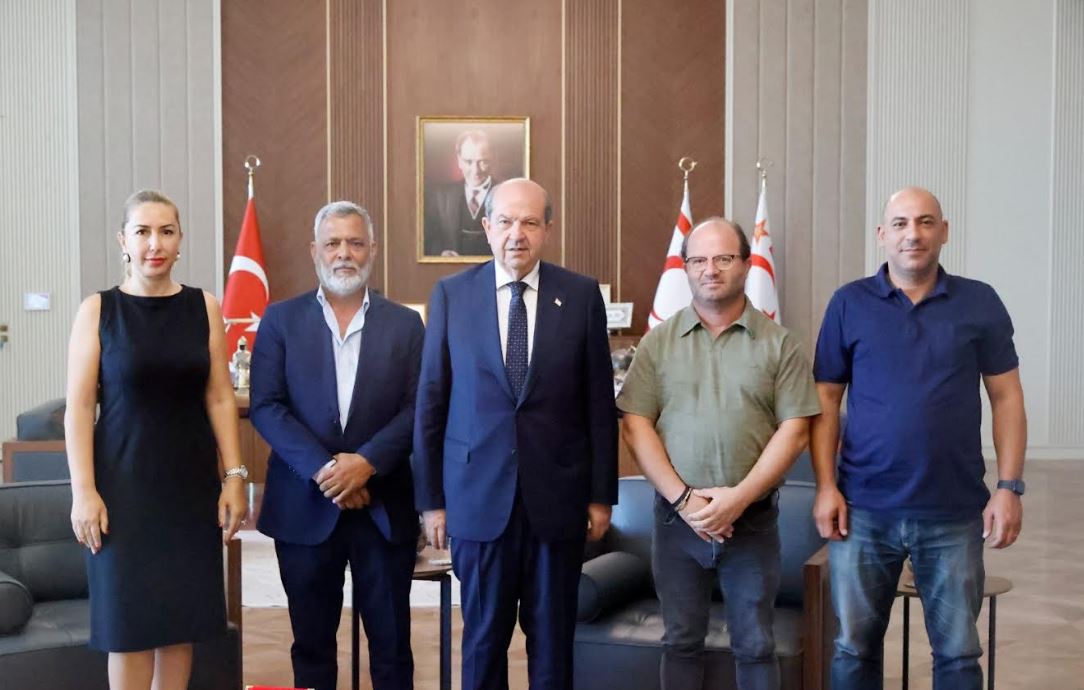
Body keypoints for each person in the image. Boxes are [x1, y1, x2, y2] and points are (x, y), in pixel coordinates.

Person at [811, 187, 1027, 690]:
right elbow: (825, 399)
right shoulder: (849, 303)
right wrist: (825, 485)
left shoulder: (979, 301)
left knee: (958, 655)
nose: (914, 234)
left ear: (943, 232)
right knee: (852, 649)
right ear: (882, 235)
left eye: (926, 222)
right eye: (901, 223)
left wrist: (1009, 487)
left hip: (953, 510)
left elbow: (1007, 397)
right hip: (862, 510)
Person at [413, 178, 618, 690]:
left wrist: (601, 496)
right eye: (504, 221)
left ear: (547, 228)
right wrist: (431, 501)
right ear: (487, 227)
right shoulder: (452, 295)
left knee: (552, 644)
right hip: (477, 501)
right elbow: (431, 402)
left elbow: (598, 404)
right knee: (483, 642)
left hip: (558, 501)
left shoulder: (581, 295)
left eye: (529, 222)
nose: (516, 234)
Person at [617, 217, 820, 690]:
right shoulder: (658, 343)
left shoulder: (780, 344)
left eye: (724, 258)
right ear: (685, 267)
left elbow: (795, 432)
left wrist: (738, 499)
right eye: (699, 260)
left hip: (751, 524)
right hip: (676, 523)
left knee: (755, 645)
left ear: (746, 265)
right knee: (680, 642)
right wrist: (685, 501)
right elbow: (635, 425)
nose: (711, 269)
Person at [64, 189, 248, 690]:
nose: (154, 244)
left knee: (178, 624)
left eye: (166, 231)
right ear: (123, 240)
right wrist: (83, 491)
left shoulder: (203, 307)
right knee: (129, 630)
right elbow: (79, 408)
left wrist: (234, 477)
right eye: (142, 232)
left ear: (180, 239)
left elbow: (219, 397)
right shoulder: (98, 310)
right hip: (121, 493)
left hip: (189, 490)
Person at [250, 200, 424, 690]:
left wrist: (366, 463)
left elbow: (419, 409)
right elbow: (266, 405)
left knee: (392, 649)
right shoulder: (280, 321)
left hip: (383, 506)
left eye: (355, 242)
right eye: (332, 243)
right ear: (315, 251)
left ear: (373, 250)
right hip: (304, 507)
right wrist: (330, 471)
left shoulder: (406, 325)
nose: (344, 253)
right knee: (311, 648)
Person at [424, 129, 499, 257]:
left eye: (483, 162)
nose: (475, 170)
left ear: (492, 159)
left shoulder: (507, 194)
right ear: (459, 160)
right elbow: (428, 240)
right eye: (468, 162)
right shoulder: (441, 197)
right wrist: (441, 253)